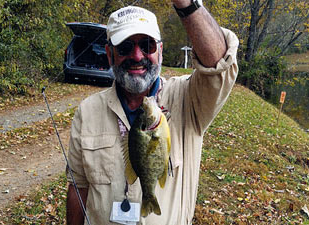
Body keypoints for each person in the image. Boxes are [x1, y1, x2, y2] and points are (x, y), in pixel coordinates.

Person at [66, 0, 239, 224]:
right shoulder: (87, 111)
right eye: (125, 47)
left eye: (147, 45)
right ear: (110, 54)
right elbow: (78, 186)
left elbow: (219, 63)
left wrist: (186, 4)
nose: (137, 56)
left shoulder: (189, 100)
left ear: (161, 51)